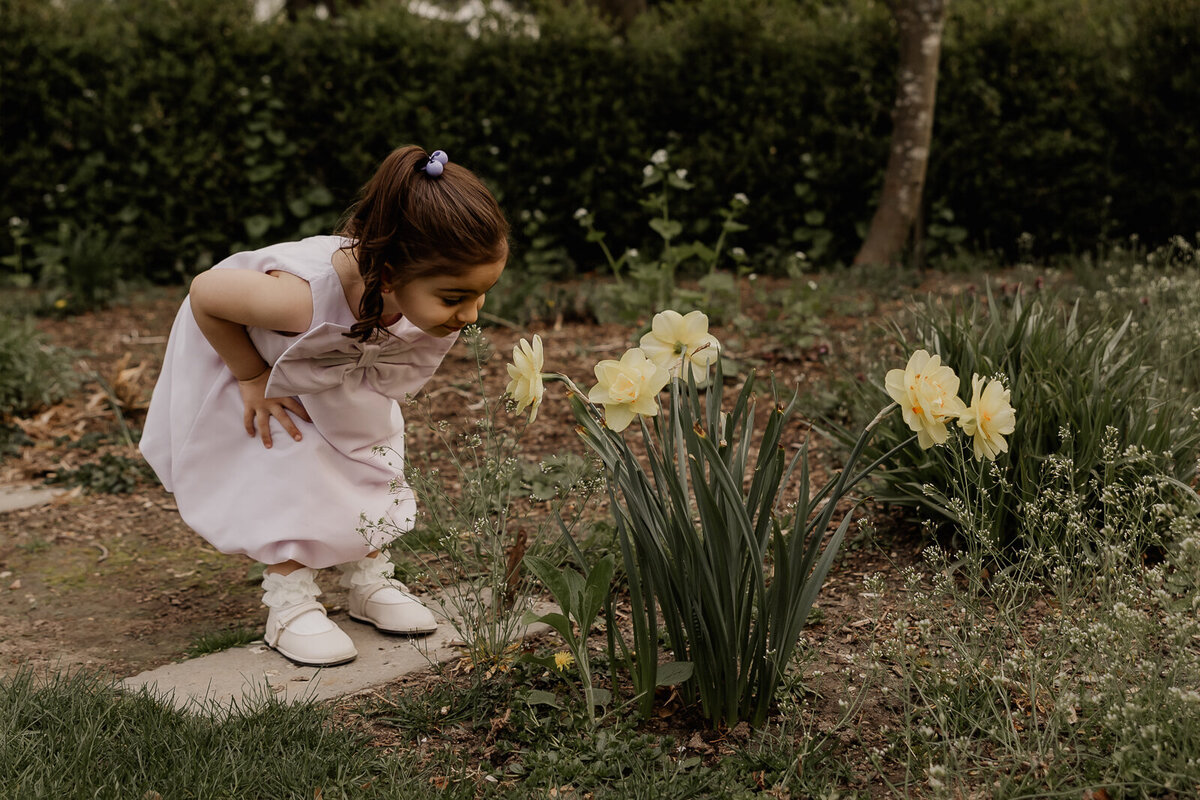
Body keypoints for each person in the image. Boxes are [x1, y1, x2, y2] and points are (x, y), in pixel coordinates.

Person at [141, 146, 509, 667]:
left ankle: (367, 578)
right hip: (262, 377)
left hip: (338, 374)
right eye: (454, 298)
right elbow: (205, 293)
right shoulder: (297, 299)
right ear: (388, 275)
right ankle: (290, 602)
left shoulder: (406, 281)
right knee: (291, 472)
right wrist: (250, 375)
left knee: (369, 457)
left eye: (482, 295)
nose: (470, 314)